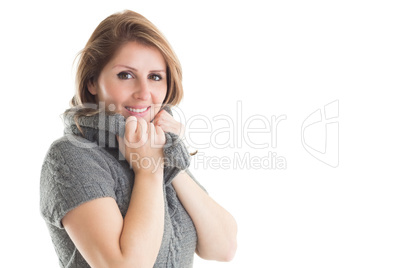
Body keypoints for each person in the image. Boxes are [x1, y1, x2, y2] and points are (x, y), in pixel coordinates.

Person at [39, 9, 237, 268]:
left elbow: (223, 248)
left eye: (155, 77)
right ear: (92, 82)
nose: (145, 93)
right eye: (126, 75)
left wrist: (168, 153)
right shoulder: (70, 157)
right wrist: (149, 171)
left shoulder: (154, 148)